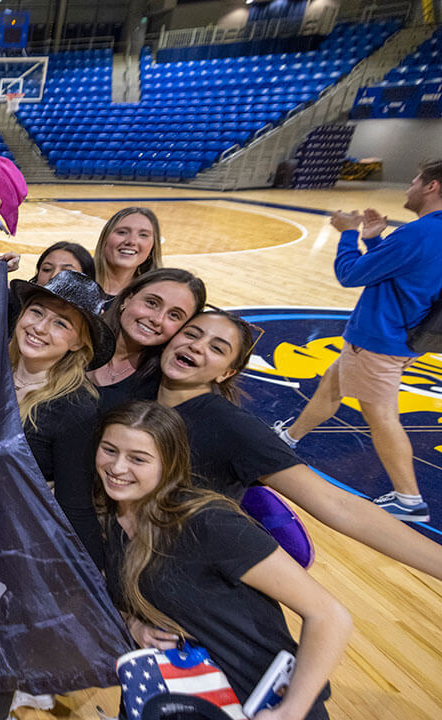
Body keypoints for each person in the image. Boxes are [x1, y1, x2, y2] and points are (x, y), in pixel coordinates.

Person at [97, 401, 352, 720]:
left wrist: (291, 710)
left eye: (138, 459)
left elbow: (330, 615)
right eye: (109, 450)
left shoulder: (209, 524)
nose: (118, 467)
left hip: (258, 703)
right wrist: (133, 623)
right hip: (175, 700)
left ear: (169, 464)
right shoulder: (104, 519)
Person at [154, 308, 442, 580]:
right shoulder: (139, 390)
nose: (196, 346)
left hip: (174, 567)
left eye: (217, 348)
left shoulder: (233, 428)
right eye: (191, 334)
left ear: (226, 373)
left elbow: (339, 504)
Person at [273, 165, 442, 522]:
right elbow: (403, 273)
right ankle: (290, 436)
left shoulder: (418, 233)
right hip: (408, 335)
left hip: (380, 338)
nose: (408, 187)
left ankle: (409, 500)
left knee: (381, 417)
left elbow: (351, 274)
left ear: (432, 186)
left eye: (414, 180)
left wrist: (349, 235)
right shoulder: (433, 233)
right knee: (330, 387)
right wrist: (375, 240)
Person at [6, 270, 114, 569]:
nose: (40, 327)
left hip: (18, 541)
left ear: (79, 342)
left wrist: (94, 580)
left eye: (61, 323)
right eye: (36, 311)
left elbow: (75, 503)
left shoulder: (75, 408)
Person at [89, 269, 206, 413]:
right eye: (151, 303)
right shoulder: (79, 336)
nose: (157, 320)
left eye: (174, 315)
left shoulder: (164, 385)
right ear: (128, 299)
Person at [93, 207, 162, 297]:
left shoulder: (158, 294)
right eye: (122, 232)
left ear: (153, 247)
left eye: (143, 235)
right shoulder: (75, 281)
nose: (131, 241)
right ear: (104, 239)